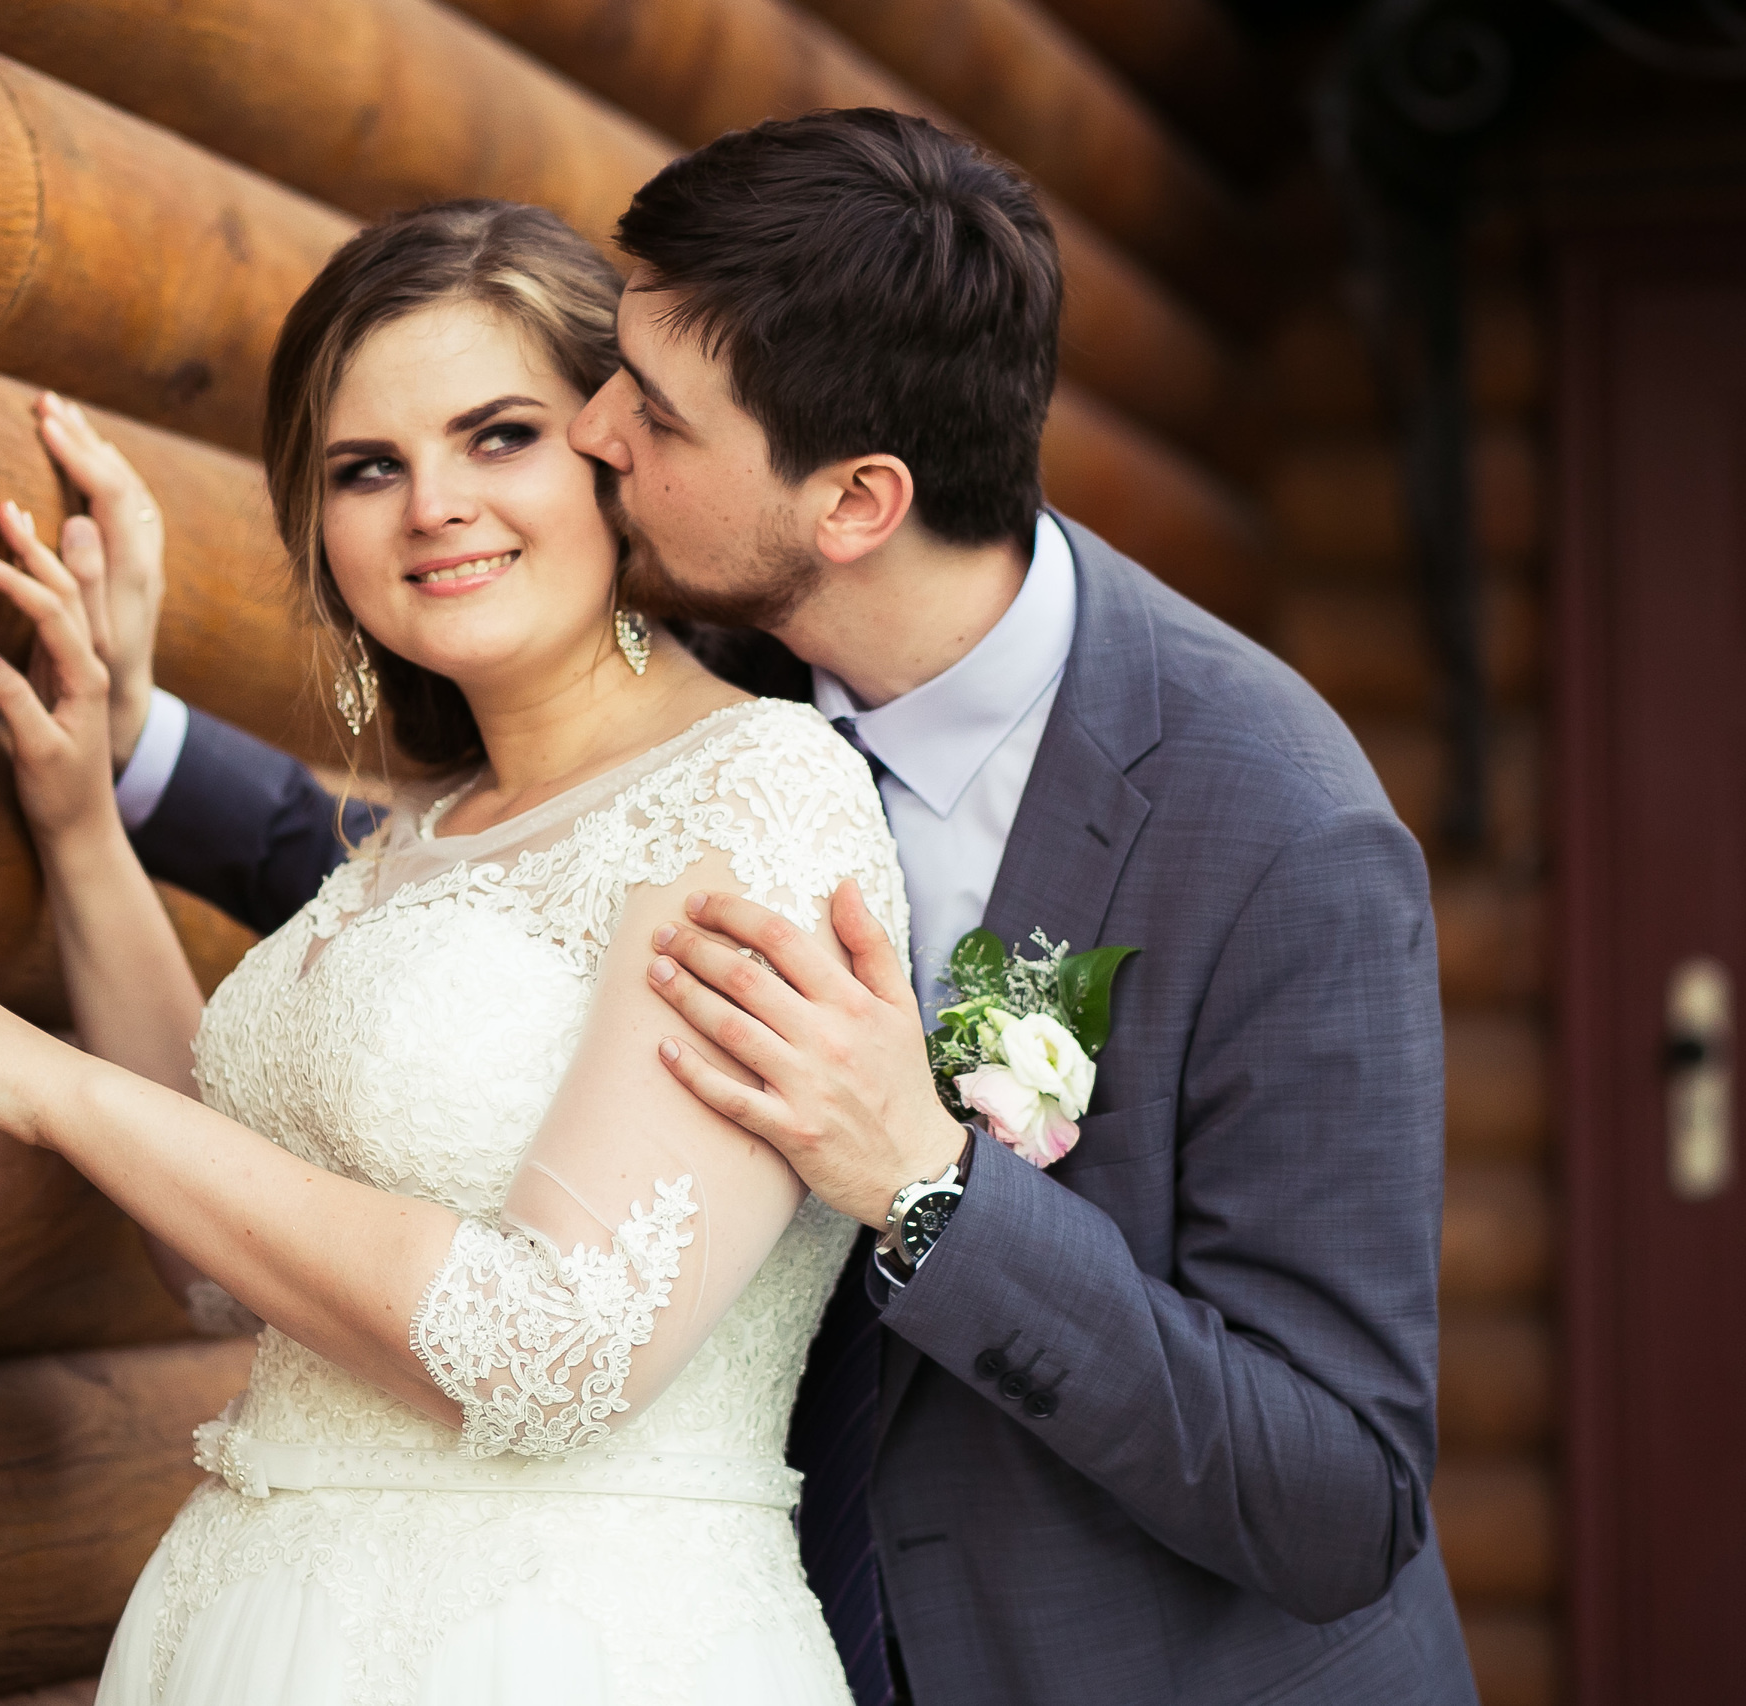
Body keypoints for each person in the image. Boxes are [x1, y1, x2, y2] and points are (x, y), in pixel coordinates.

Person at [103, 113, 1478, 1704]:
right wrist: (126, 759)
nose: (597, 432)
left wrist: (929, 1180)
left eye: (654, 414)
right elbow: (480, 926)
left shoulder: (1275, 828)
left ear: (854, 501)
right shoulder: (735, 648)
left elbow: (1340, 1492)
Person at [0, 199, 904, 1703]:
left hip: (568, 1645)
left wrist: (47, 1084)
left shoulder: (757, 790)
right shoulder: (423, 837)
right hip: (249, 1630)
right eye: (370, 467)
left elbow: (554, 1348)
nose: (432, 503)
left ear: (621, 449)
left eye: (499, 436)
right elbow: (216, 1258)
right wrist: (82, 825)